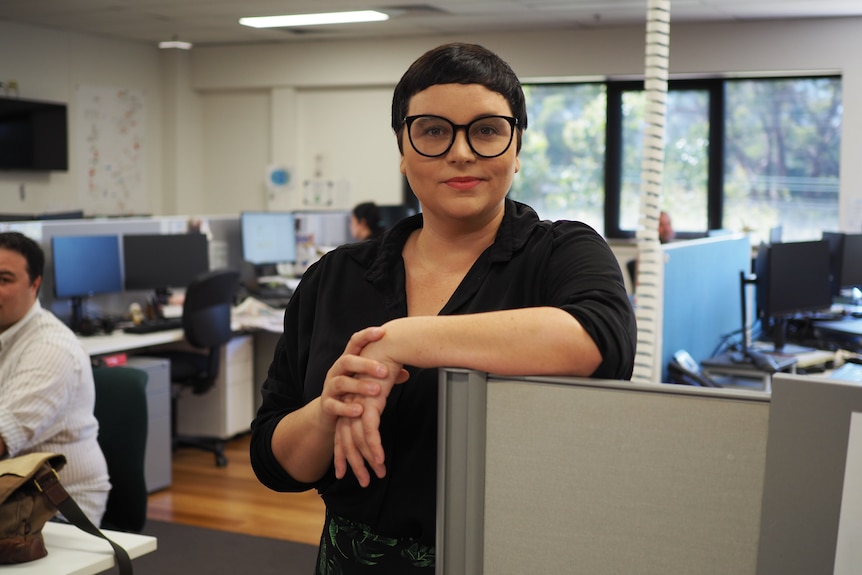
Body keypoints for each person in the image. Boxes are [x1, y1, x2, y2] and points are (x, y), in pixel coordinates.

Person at [250, 42, 636, 574]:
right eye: (433, 130)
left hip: (508, 558)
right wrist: (327, 410)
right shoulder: (334, 277)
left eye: (487, 129)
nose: (461, 152)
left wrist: (401, 341)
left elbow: (601, 342)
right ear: (403, 149)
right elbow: (274, 462)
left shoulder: (561, 252)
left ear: (516, 146)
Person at [0, 231, 110, 525]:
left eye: (4, 279)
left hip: (54, 507)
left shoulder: (51, 348)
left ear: (34, 285)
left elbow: (2, 436)